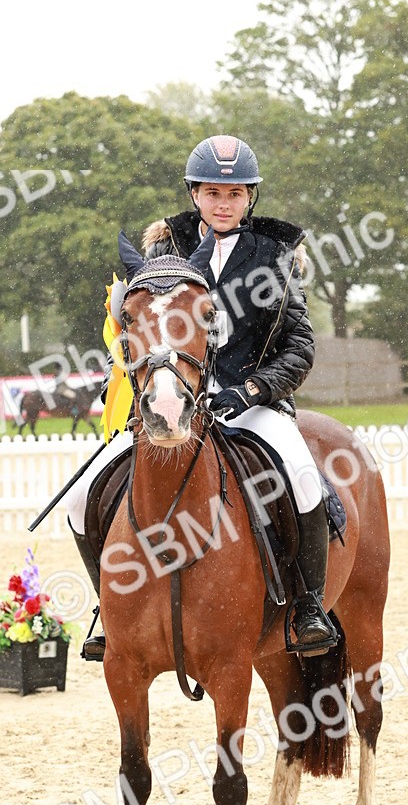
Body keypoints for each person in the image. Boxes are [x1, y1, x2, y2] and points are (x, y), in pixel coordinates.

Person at [65, 134, 336, 657]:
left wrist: (253, 388)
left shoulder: (275, 256)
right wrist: (126, 379)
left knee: (304, 480)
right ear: (194, 194)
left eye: (235, 195)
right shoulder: (164, 251)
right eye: (213, 193)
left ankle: (307, 606)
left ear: (250, 198)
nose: (223, 204)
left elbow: (299, 347)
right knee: (81, 498)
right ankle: (109, 609)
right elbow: (135, 327)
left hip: (251, 404)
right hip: (168, 400)